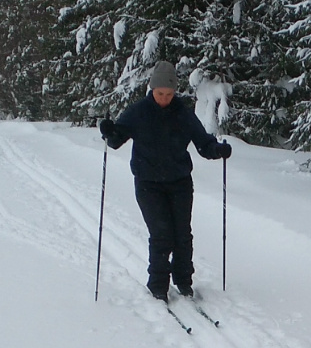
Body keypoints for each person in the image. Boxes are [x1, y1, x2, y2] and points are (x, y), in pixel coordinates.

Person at [99, 61, 232, 301]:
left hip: (180, 182)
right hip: (148, 183)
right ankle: (158, 285)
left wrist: (218, 150)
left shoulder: (182, 113)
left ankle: (184, 282)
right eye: (160, 93)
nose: (164, 98)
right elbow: (116, 139)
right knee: (161, 234)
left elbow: (203, 143)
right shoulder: (139, 112)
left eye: (169, 94)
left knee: (182, 234)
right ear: (152, 90)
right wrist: (109, 131)